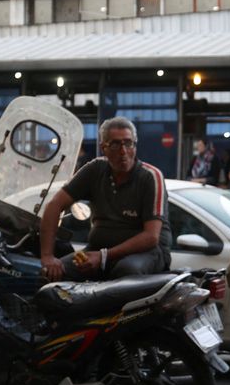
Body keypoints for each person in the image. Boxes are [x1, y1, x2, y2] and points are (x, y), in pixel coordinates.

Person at [39, 117, 171, 281]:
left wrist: (103, 256)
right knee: (52, 274)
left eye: (128, 143)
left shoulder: (151, 177)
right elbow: (54, 205)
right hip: (98, 250)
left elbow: (151, 237)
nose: (123, 151)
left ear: (135, 145)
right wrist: (47, 257)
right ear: (103, 148)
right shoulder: (94, 169)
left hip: (148, 253)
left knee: (126, 270)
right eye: (116, 145)